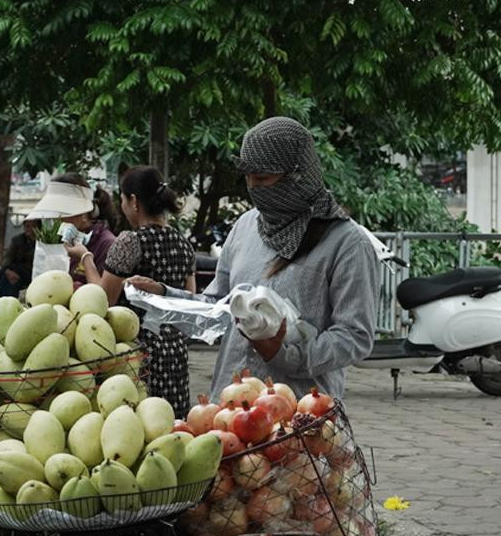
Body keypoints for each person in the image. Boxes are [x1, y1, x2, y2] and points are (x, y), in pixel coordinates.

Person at [136, 117, 379, 401]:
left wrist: (283, 355)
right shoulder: (245, 226)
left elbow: (354, 336)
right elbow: (219, 306)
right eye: (248, 177)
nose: (253, 187)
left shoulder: (347, 243)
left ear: (298, 175)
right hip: (229, 407)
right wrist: (166, 296)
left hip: (297, 417)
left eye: (262, 178)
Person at [67, 165, 195, 415]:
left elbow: (102, 301)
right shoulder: (183, 244)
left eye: (123, 200)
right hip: (175, 355)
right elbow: (188, 302)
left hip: (137, 354)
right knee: (172, 428)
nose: (123, 207)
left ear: (134, 201)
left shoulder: (130, 241)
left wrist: (86, 259)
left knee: (138, 427)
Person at [0, 219, 39, 299]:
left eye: (30, 226)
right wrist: (7, 271)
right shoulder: (18, 240)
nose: (27, 229)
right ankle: (3, 303)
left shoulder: (42, 241)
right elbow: (8, 258)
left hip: (33, 272)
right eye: (26, 226)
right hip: (18, 271)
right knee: (8, 279)